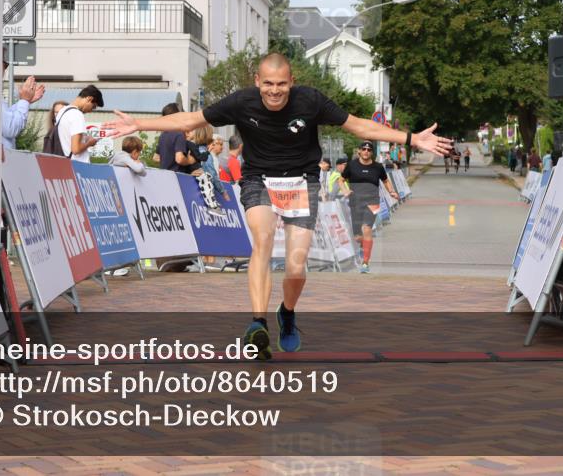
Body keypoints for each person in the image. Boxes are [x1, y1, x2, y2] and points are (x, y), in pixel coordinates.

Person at [101, 52, 451, 359]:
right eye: (267, 83)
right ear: (257, 81)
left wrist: (411, 138)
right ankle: (257, 324)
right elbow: (190, 120)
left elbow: (358, 126)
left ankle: (287, 312)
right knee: (263, 241)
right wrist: (140, 123)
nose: (274, 91)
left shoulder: (310, 101)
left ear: (291, 82)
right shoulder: (242, 102)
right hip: (258, 181)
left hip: (301, 182)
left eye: (281, 84)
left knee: (296, 267)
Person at [342, 140, 399, 273]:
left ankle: (366, 263)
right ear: (359, 151)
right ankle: (363, 245)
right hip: (355, 202)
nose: (366, 152)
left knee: (366, 228)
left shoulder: (378, 167)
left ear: (372, 153)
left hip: (373, 202)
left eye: (369, 150)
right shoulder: (351, 165)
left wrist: (391, 191)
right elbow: (341, 179)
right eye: (364, 149)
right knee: (357, 237)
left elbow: (385, 180)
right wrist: (345, 190)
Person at [1, 46, 45, 150]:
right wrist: (24, 101)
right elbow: (11, 128)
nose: (5, 69)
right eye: (5, 64)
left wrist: (25, 101)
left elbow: (5, 118)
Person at [55, 84, 103, 162]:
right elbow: (76, 149)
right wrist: (90, 143)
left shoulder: (62, 112)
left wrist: (84, 139)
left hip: (64, 161)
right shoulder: (77, 115)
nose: (91, 111)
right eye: (93, 107)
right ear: (89, 99)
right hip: (77, 165)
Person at [155, 102, 195, 172]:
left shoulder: (163, 135)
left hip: (164, 175)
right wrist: (189, 161)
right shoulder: (179, 134)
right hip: (177, 176)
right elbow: (179, 159)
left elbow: (156, 157)